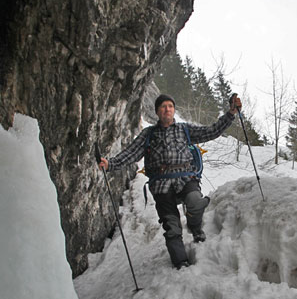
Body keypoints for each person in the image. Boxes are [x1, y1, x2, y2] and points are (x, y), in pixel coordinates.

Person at [99, 93, 242, 268]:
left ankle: (195, 227)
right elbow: (131, 153)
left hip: (186, 178)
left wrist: (231, 114)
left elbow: (211, 131)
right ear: (157, 112)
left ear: (174, 110)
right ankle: (180, 262)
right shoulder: (148, 134)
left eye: (170, 106)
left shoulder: (184, 130)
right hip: (161, 185)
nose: (167, 109)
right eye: (163, 106)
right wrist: (110, 164)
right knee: (171, 226)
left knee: (196, 202)